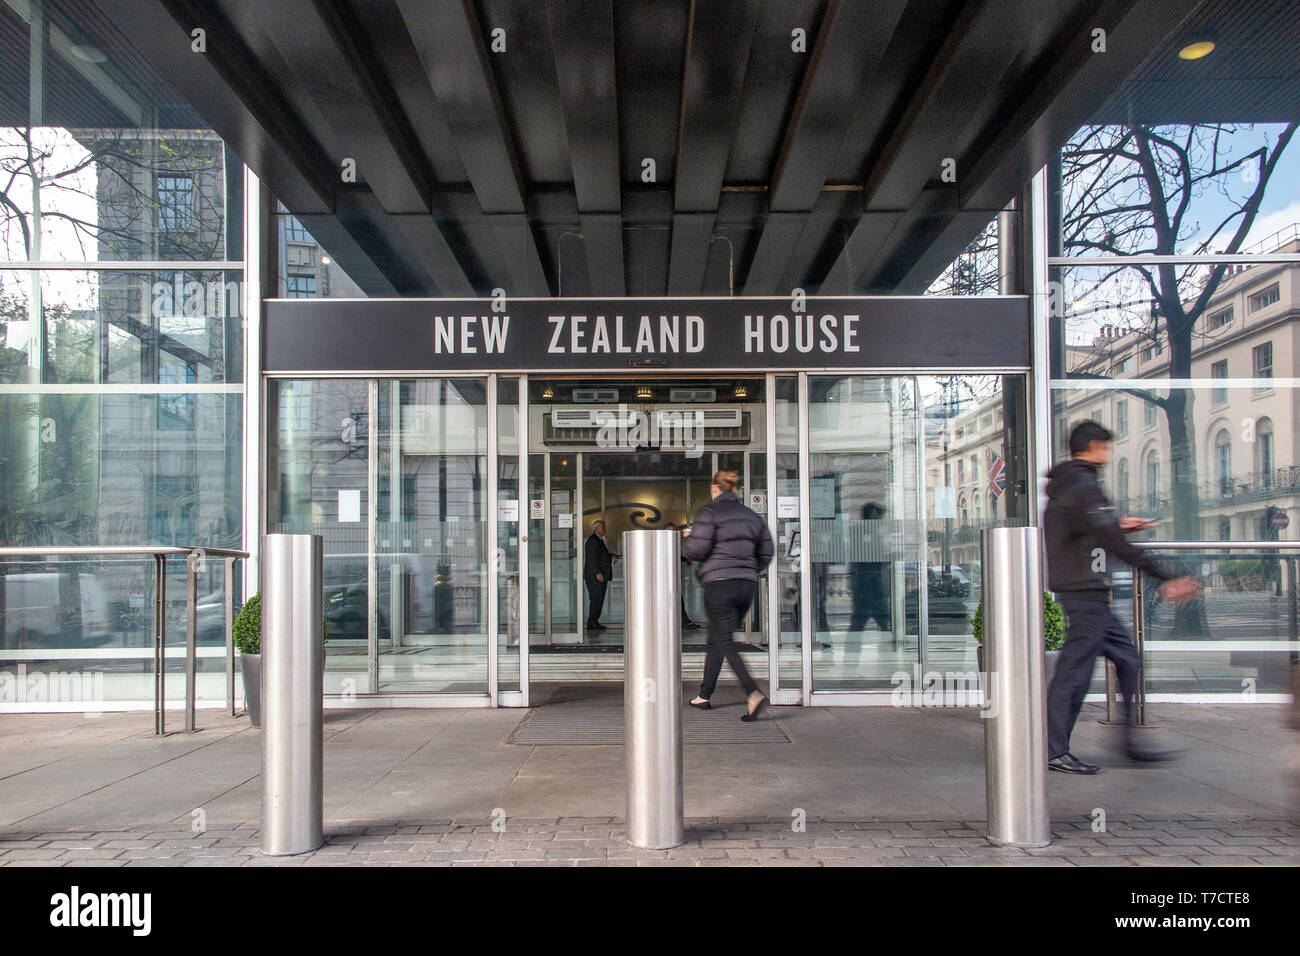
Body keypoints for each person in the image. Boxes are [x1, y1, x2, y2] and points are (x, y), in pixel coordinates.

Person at [1044, 421, 1200, 774]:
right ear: (1095, 445)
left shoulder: (1072, 485)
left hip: (1088, 592)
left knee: (1128, 659)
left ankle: (1129, 743)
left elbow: (1091, 529)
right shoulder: (1083, 484)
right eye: (1106, 446)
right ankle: (1053, 750)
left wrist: (1117, 523)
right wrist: (1167, 577)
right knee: (1074, 674)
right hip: (1084, 592)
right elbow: (1111, 541)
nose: (1108, 453)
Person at [682, 470, 775, 721]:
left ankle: (752, 691)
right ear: (735, 490)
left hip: (719, 585)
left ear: (715, 489)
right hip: (746, 585)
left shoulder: (709, 513)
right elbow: (767, 550)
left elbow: (698, 551)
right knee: (717, 638)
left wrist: (689, 538)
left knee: (724, 640)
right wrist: (748, 570)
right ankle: (704, 695)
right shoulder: (752, 516)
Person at [664, 523, 701, 629]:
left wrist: (686, 559)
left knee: (677, 599)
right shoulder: (663, 543)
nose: (674, 533)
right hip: (666, 577)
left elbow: (677, 556)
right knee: (674, 599)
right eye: (672, 531)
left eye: (675, 531)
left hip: (673, 577)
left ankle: (682, 622)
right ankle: (682, 622)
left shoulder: (672, 543)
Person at [583, 519, 615, 630]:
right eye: (602, 527)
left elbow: (602, 555)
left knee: (599, 599)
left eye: (604, 526)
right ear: (595, 528)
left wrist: (611, 556)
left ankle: (594, 621)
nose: (604, 529)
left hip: (600, 576)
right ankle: (591, 623)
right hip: (595, 577)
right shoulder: (592, 541)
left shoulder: (599, 540)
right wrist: (597, 572)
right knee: (596, 599)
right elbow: (591, 559)